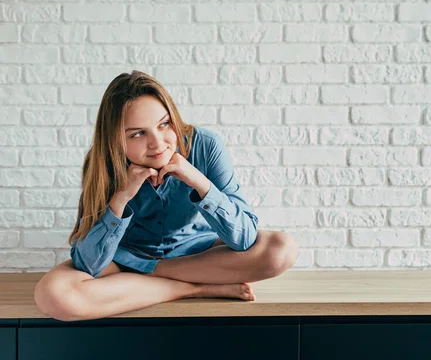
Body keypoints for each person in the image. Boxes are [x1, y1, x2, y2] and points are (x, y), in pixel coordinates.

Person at [34, 70, 298, 322]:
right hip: (126, 257)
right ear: (116, 140)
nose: (158, 143)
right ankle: (193, 289)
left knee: (281, 250)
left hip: (198, 256)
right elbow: (88, 264)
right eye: (138, 133)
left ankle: (159, 277)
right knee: (53, 295)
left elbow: (244, 238)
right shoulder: (102, 162)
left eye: (164, 124)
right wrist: (121, 198)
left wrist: (198, 181)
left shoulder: (206, 145)